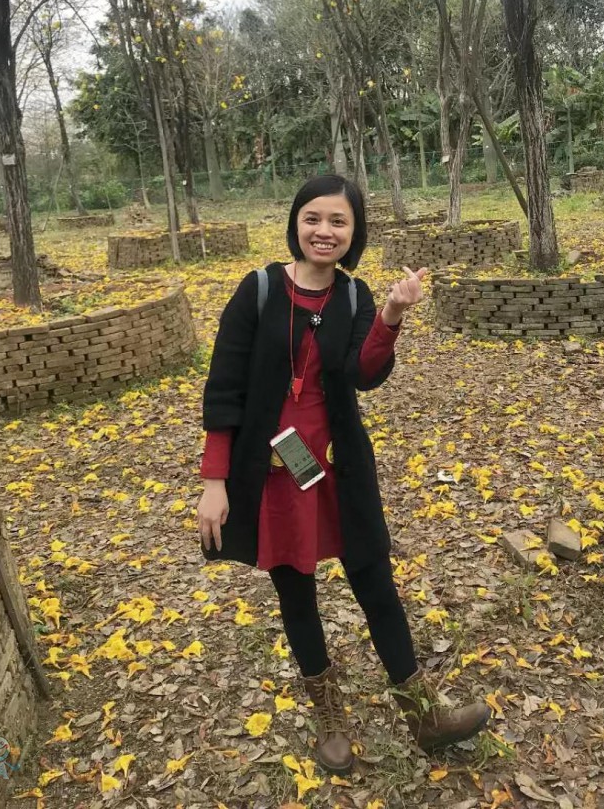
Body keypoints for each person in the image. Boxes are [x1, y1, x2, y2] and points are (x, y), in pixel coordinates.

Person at [197, 174, 490, 775]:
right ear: (295, 223)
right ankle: (330, 716)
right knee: (296, 590)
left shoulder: (354, 298)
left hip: (339, 467)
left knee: (375, 580)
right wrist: (213, 481)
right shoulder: (258, 290)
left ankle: (424, 715)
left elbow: (363, 373)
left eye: (338, 221)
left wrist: (391, 315)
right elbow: (223, 388)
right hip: (274, 474)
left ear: (354, 232)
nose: (324, 231)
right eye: (313, 218)